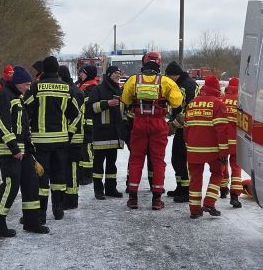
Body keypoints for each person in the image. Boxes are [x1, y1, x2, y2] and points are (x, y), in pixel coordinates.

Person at [0, 65, 49, 237]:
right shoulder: (3, 96)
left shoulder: (17, 96)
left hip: (22, 151)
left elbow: (22, 125)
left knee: (31, 184)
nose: (29, 88)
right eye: (26, 84)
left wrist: (29, 148)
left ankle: (32, 222)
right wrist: (14, 147)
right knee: (10, 186)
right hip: (8, 151)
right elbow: (2, 123)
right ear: (17, 82)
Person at [121, 52, 183, 210]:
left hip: (139, 122)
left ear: (144, 62)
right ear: (159, 64)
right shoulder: (166, 81)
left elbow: (125, 99)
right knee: (158, 161)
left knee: (136, 160)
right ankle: (156, 199)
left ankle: (133, 198)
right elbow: (177, 103)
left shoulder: (134, 79)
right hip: (158, 123)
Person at [24, 56, 79, 220]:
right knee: (59, 175)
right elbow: (76, 114)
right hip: (61, 140)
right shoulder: (67, 88)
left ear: (44, 70)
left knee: (41, 176)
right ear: (57, 70)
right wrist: (69, 133)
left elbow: (25, 110)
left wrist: (27, 131)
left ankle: (41, 213)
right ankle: (58, 209)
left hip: (40, 141)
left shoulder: (35, 87)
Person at [183, 76, 232, 218]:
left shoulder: (192, 103)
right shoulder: (218, 104)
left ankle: (194, 210)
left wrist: (188, 145)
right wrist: (224, 151)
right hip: (212, 150)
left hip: (193, 149)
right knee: (217, 174)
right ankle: (209, 203)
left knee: (195, 178)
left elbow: (186, 128)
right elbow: (221, 130)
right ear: (217, 88)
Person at [85, 65, 124, 199]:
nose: (118, 75)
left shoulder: (119, 90)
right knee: (98, 164)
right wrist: (106, 103)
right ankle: (98, 190)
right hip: (101, 134)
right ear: (108, 75)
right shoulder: (98, 89)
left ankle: (111, 189)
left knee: (112, 164)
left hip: (114, 133)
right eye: (115, 73)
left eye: (119, 73)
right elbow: (89, 108)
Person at [165, 61, 199, 203]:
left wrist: (172, 125)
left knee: (180, 158)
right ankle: (181, 187)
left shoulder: (185, 86)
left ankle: (186, 190)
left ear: (174, 75)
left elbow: (186, 111)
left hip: (187, 128)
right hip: (185, 127)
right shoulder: (186, 83)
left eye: (168, 77)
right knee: (177, 158)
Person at [58, 66, 85, 209]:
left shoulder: (71, 91)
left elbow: (76, 115)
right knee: (69, 168)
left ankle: (71, 199)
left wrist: (68, 133)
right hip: (72, 135)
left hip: (72, 136)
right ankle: (69, 198)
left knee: (71, 169)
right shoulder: (74, 89)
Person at [75, 64, 100, 186]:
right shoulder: (81, 85)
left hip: (89, 123)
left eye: (83, 73)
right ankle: (80, 174)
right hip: (80, 123)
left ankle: (88, 175)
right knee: (81, 149)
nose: (81, 75)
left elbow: (87, 104)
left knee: (88, 149)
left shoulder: (92, 88)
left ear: (89, 74)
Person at [221, 77, 243, 208]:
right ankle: (235, 196)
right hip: (236, 140)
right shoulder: (242, 102)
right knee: (236, 167)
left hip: (222, 141)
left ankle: (223, 189)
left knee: (222, 164)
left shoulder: (221, 100)